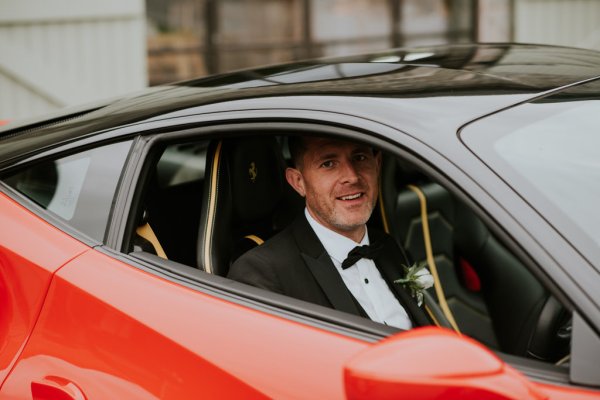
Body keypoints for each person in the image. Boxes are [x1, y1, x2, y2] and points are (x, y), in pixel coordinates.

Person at [228, 136, 431, 328]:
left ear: (377, 165)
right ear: (298, 182)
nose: (351, 176)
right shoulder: (262, 274)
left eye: (360, 158)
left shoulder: (387, 245)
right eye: (328, 164)